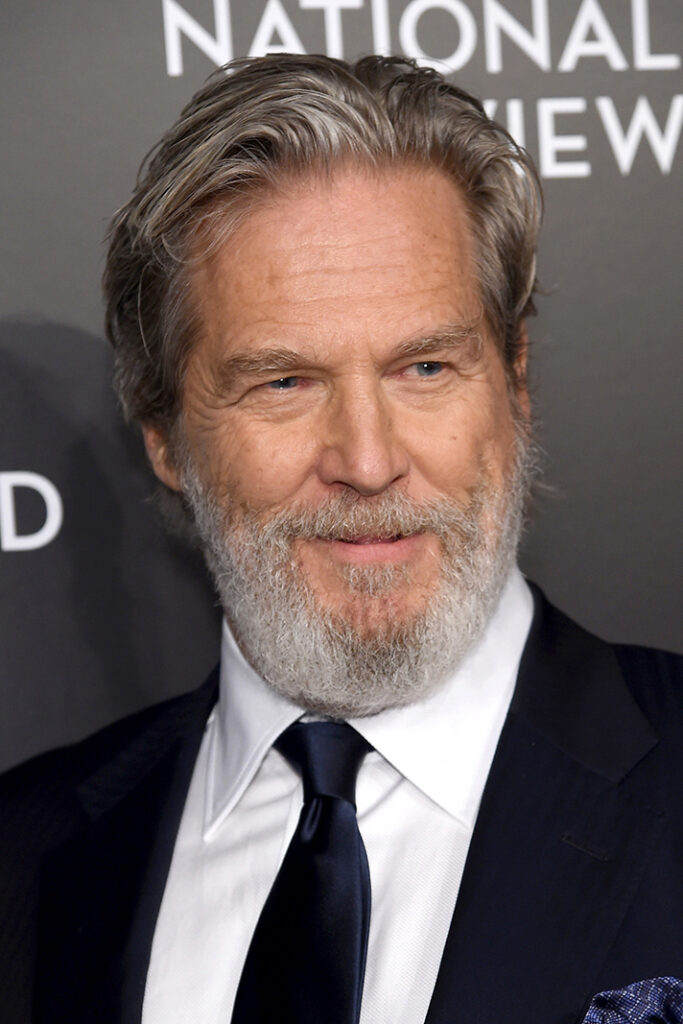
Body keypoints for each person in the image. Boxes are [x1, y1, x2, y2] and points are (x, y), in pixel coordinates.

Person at [1, 54, 681, 1024]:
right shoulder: (26, 858)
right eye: (283, 382)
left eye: (424, 367)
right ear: (163, 434)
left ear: (514, 383)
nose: (366, 461)